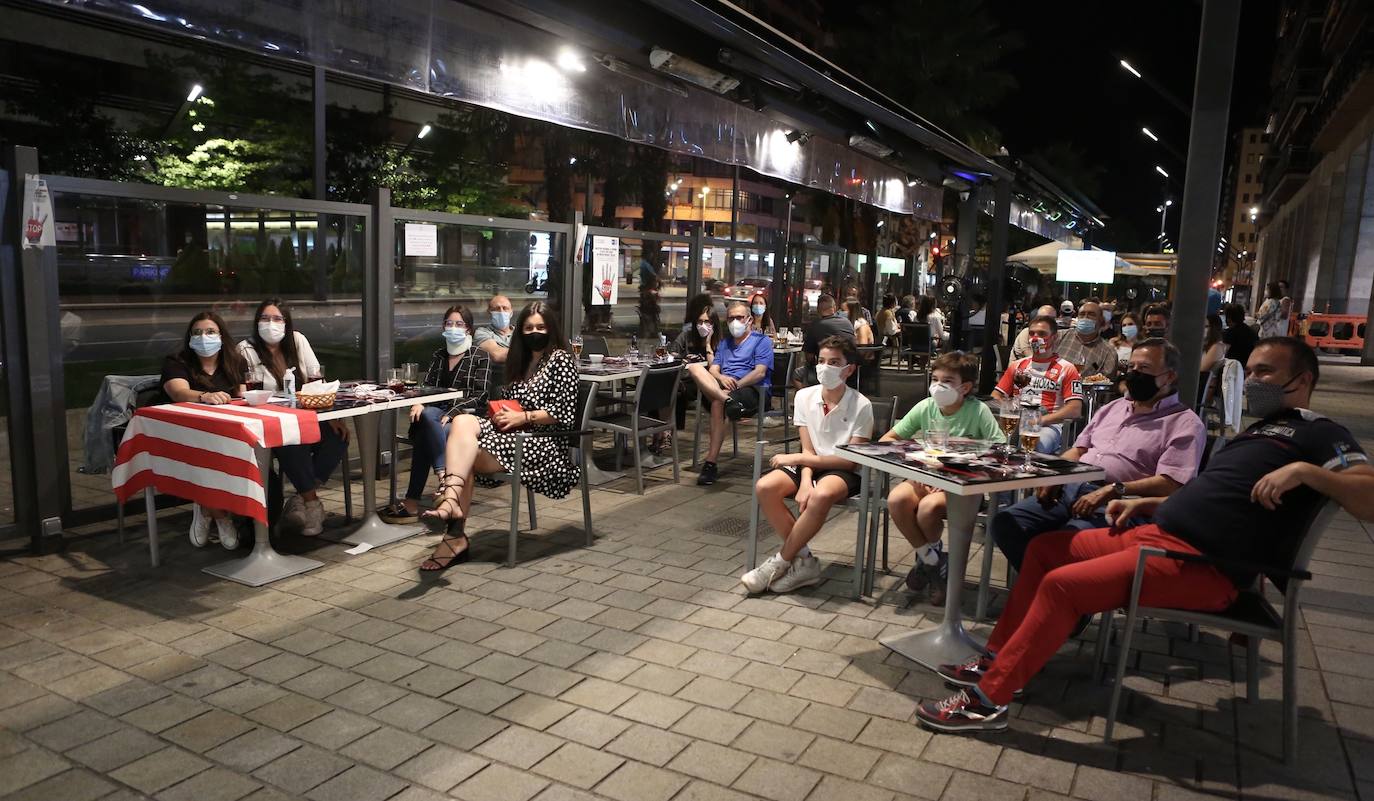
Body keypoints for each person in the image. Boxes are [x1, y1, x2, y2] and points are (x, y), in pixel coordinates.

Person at [917, 337, 1374, 733]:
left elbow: (1367, 496)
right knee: (1042, 549)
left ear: (1304, 379)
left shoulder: (1319, 435)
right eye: (1250, 370)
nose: (1252, 380)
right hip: (1158, 530)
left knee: (1062, 584)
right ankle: (999, 656)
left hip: (1202, 563)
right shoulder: (1260, 432)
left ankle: (987, 702)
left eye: (1265, 372)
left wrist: (1306, 471)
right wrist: (1144, 503)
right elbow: (1203, 495)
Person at [990, 338, 1205, 570]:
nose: (1134, 374)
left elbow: (1171, 484)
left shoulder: (1184, 423)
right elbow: (1079, 450)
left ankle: (1054, 594)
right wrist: (1055, 476)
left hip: (1119, 503)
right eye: (1131, 367)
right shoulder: (1112, 408)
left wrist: (1114, 489)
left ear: (1169, 376)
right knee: (1007, 523)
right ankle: (1053, 593)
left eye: (1144, 369)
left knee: (1062, 545)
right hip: (1071, 488)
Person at [419, 302, 580, 571]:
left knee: (463, 453)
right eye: (528, 328)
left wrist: (524, 417)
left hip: (543, 444)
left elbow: (563, 413)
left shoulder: (560, 359)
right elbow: (509, 400)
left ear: (551, 329)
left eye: (540, 327)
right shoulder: (523, 361)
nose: (534, 332)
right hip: (511, 435)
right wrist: (502, 413)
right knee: (463, 422)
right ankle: (452, 509)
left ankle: (453, 530)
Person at [742, 336, 874, 594]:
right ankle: (806, 561)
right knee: (765, 486)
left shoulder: (862, 405)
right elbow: (808, 448)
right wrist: (805, 481)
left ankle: (779, 562)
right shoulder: (804, 396)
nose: (825, 367)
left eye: (834, 362)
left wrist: (800, 462)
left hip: (843, 468)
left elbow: (850, 460)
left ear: (849, 369)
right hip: (811, 463)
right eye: (822, 361)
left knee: (821, 494)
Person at [883, 351, 1002, 604]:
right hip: (925, 475)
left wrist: (961, 464)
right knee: (896, 500)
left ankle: (930, 567)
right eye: (935, 378)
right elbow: (888, 440)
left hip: (963, 484)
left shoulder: (978, 411)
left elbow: (1000, 450)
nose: (938, 386)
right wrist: (913, 466)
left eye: (947, 381)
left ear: (965, 387)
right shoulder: (926, 407)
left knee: (927, 510)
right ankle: (932, 560)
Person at [239, 298, 349, 537]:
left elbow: (315, 380)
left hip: (304, 418)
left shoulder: (297, 341)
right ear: (257, 322)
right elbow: (242, 392)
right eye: (265, 318)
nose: (271, 324)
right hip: (269, 425)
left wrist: (330, 417)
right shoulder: (245, 349)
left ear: (287, 323)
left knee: (338, 437)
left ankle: (301, 496)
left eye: (277, 318)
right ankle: (312, 504)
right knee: (293, 443)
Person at [381, 305, 492, 523]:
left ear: (468, 329)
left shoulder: (480, 357)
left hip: (465, 420)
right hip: (435, 416)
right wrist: (419, 402)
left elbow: (481, 396)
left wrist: (451, 413)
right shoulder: (439, 356)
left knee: (426, 428)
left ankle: (413, 502)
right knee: (428, 417)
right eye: (449, 323)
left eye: (459, 324)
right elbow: (427, 388)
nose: (453, 328)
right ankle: (443, 476)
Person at [162, 311, 246, 550]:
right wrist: (204, 396)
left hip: (227, 431)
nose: (204, 337)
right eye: (197, 333)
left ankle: (204, 506)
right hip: (184, 434)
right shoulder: (176, 362)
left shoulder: (235, 361)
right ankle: (221, 516)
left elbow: (242, 392)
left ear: (221, 335)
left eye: (210, 332)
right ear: (189, 337)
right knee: (207, 456)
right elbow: (178, 393)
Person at [692, 301, 775, 486]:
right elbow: (714, 369)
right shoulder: (724, 343)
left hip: (751, 390)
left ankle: (710, 463)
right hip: (724, 389)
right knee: (695, 368)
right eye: (731, 318)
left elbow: (760, 372)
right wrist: (721, 379)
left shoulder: (761, 341)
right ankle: (725, 399)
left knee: (717, 403)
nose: (734, 322)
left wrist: (736, 385)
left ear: (749, 320)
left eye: (739, 317)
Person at [992, 315, 1082, 454]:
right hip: (1016, 420)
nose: (1035, 338)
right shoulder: (1017, 366)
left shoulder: (1067, 368)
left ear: (1054, 337)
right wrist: (1010, 410)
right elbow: (996, 396)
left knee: (1033, 445)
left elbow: (1075, 409)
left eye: (1042, 334)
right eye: (1032, 333)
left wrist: (1040, 420)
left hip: (1047, 425)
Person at [670, 293, 720, 430]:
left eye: (707, 322)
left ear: (713, 324)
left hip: (703, 382)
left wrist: (709, 343)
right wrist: (680, 357)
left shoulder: (719, 343)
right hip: (683, 377)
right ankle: (661, 432)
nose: (702, 325)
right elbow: (673, 352)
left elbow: (714, 367)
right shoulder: (687, 336)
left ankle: (669, 431)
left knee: (677, 390)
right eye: (699, 322)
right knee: (665, 386)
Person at [793, 295, 854, 388]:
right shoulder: (847, 322)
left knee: (797, 375)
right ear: (834, 308)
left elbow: (809, 356)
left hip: (828, 371)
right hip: (849, 372)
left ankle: (810, 400)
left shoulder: (816, 325)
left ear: (818, 310)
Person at [1053, 301, 1118, 380]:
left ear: (1101, 320)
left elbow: (1106, 383)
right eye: (1082, 314)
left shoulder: (1108, 352)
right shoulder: (1058, 337)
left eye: (1091, 314)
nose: (1085, 317)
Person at [474, 294, 515, 364]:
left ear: (511, 312)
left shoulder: (520, 331)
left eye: (505, 308)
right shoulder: (482, 332)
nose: (501, 312)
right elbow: (497, 355)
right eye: (497, 309)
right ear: (489, 313)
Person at [1222, 303, 1257, 370]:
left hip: (1233, 368)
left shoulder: (1229, 333)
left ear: (1228, 318)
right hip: (1249, 366)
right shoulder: (1251, 331)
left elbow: (1223, 353)